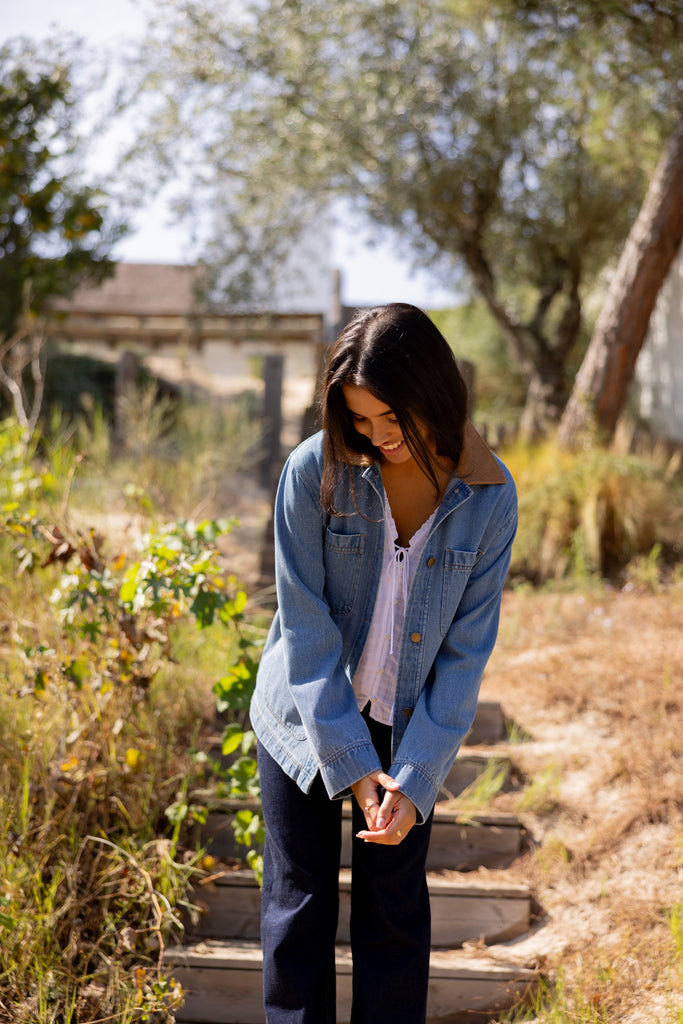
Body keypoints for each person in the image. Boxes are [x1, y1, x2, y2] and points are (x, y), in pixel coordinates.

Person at [250, 303, 518, 1024]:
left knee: (393, 915)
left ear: (430, 389)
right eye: (359, 420)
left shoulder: (490, 499)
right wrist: (349, 759)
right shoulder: (314, 472)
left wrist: (415, 773)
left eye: (387, 416)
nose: (375, 435)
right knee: (298, 906)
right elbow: (304, 629)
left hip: (408, 725)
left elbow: (465, 652)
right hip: (301, 716)